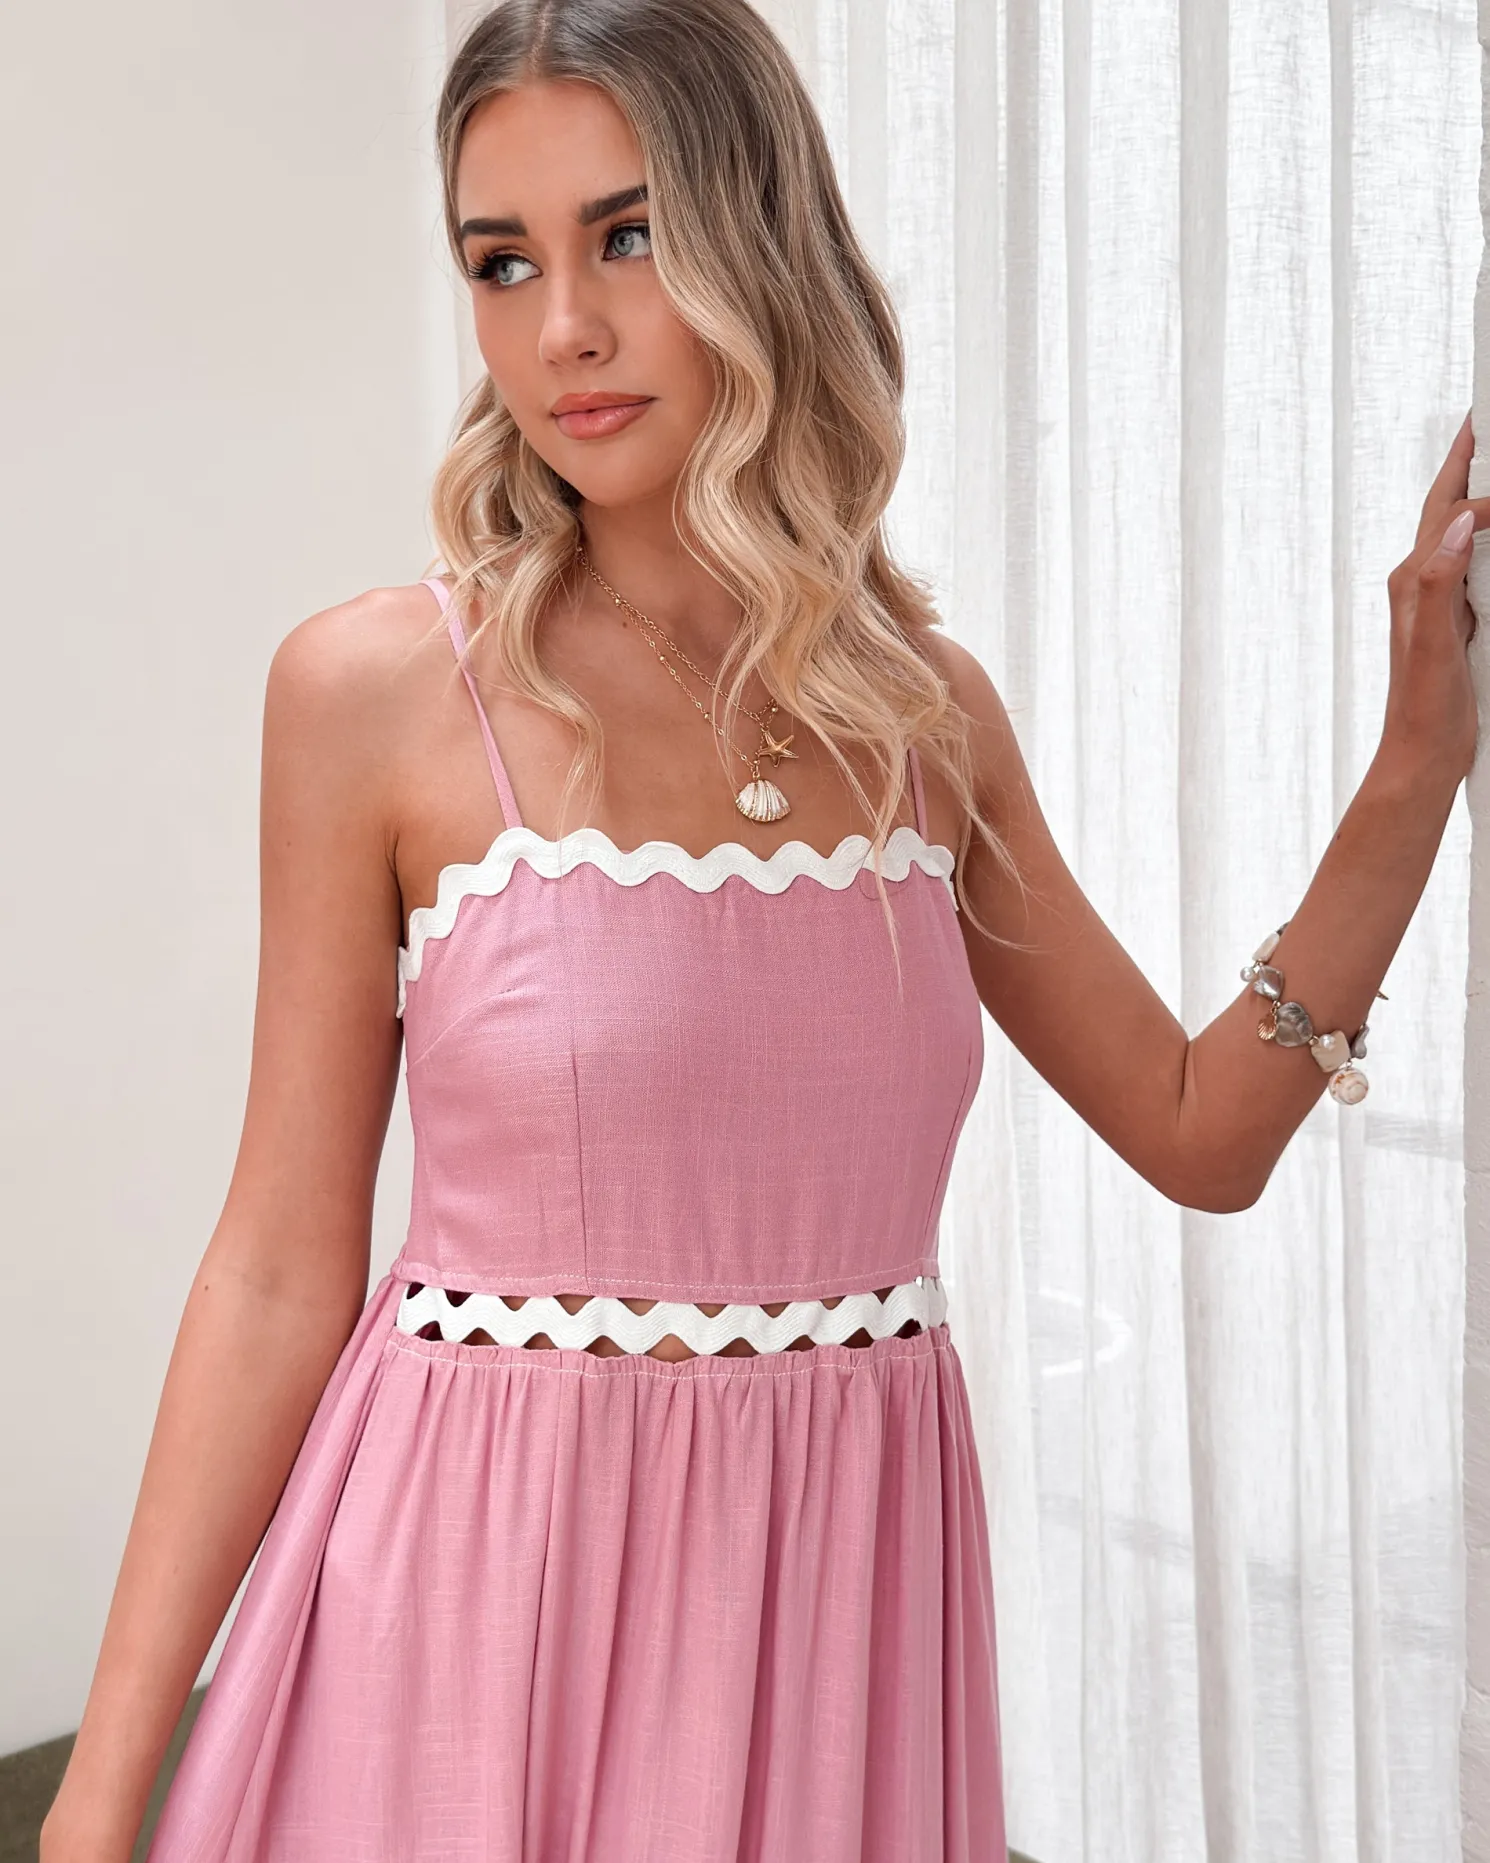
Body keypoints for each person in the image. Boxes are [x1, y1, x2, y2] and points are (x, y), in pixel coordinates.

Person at [40, 1, 1480, 1858]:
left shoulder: (920, 720)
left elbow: (1202, 1131)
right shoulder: (378, 692)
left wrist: (1417, 759)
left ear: (763, 239)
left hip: (831, 1645)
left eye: (628, 236)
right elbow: (272, 1271)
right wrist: (93, 1806)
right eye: (502, 261)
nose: (562, 326)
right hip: (474, 1624)